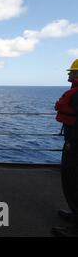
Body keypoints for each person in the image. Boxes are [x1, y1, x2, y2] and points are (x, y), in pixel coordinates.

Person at [52, 59, 78, 237]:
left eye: (71, 71)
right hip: (73, 142)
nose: (68, 74)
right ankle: (75, 215)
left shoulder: (76, 95)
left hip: (75, 146)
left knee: (73, 182)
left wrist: (72, 142)